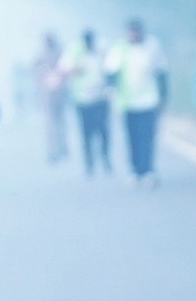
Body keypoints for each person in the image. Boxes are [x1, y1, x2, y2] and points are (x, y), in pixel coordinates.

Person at [109, 17, 167, 183]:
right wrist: (112, 90)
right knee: (132, 137)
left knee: (147, 137)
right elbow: (111, 71)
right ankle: (135, 169)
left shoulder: (153, 46)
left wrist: (163, 96)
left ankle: (148, 169)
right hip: (128, 102)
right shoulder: (120, 48)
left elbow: (161, 72)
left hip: (149, 100)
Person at [65, 29, 112, 173]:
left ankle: (105, 159)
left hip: (100, 98)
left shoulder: (102, 49)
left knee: (103, 132)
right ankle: (89, 163)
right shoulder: (75, 50)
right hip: (83, 100)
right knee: (86, 134)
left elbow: (111, 68)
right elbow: (65, 68)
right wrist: (77, 69)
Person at [37, 31, 70, 164]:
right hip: (48, 97)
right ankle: (53, 150)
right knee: (51, 126)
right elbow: (36, 73)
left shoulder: (60, 54)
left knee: (60, 124)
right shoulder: (41, 56)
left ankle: (62, 147)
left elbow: (66, 72)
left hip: (59, 96)